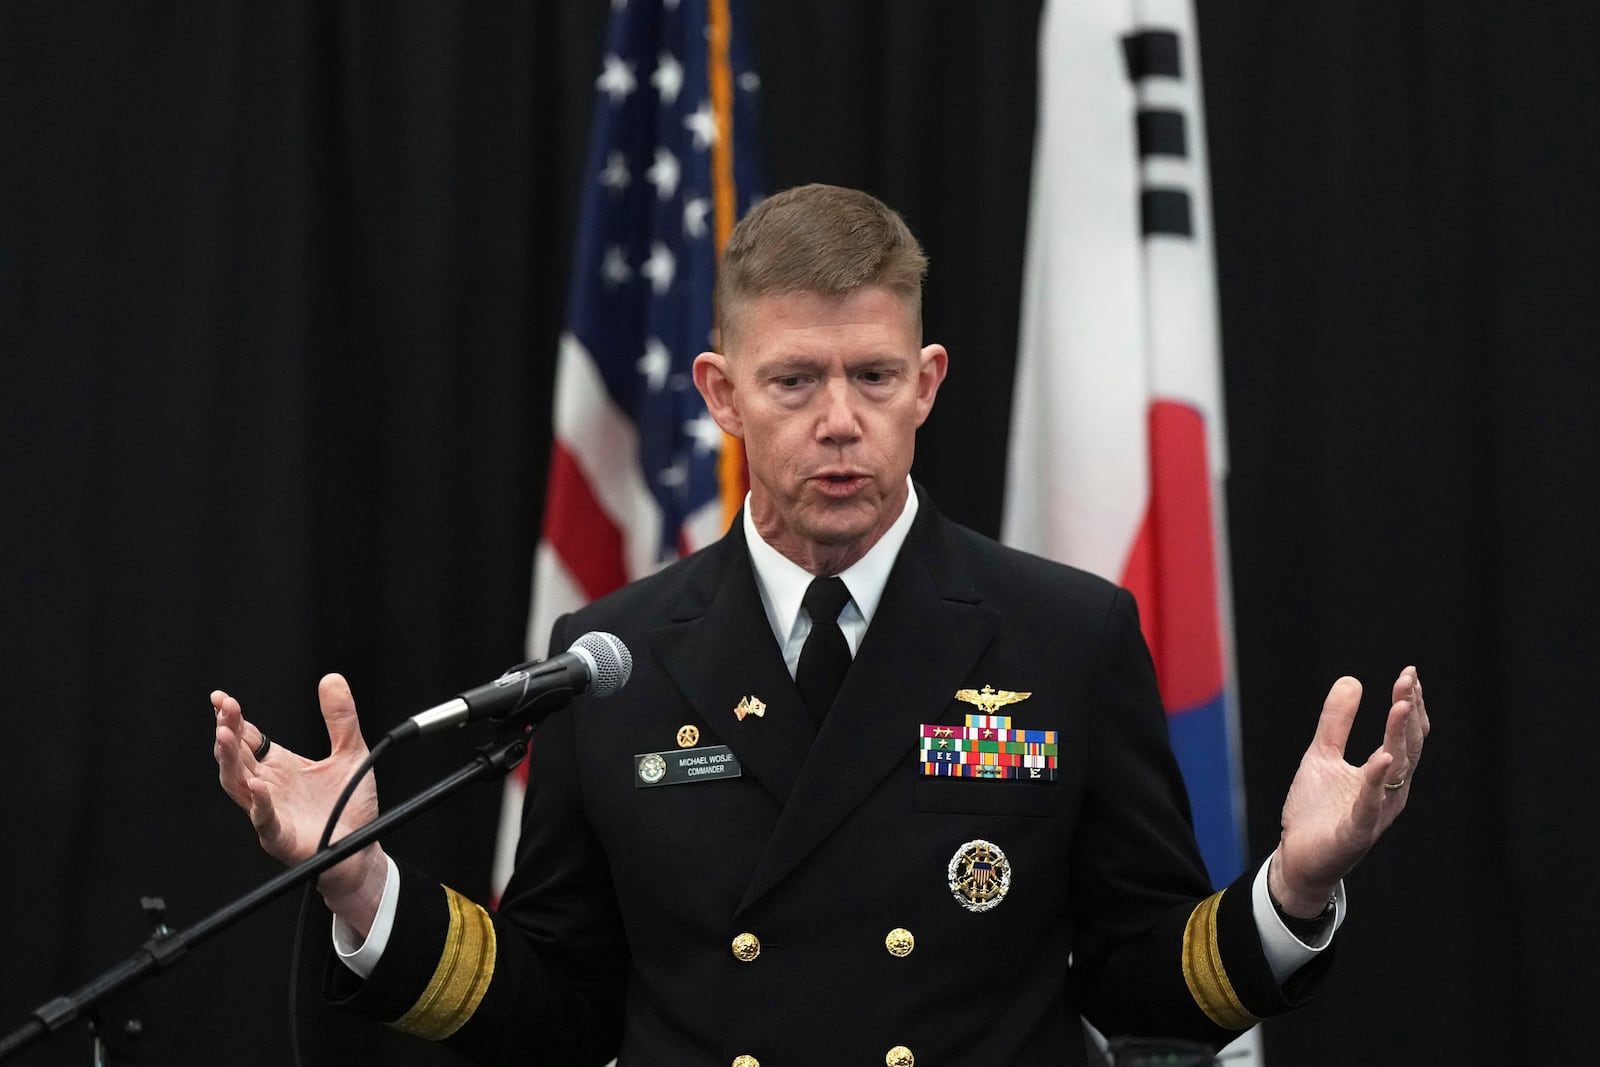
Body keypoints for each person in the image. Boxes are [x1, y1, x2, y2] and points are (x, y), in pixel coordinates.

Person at [212, 183, 1429, 1066]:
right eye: (795, 380)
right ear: (723, 394)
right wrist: (364, 885)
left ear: (929, 383)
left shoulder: (1064, 634)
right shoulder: (612, 657)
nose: (838, 419)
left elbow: (1142, 977)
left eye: (874, 376)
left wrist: (1291, 888)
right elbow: (564, 1005)